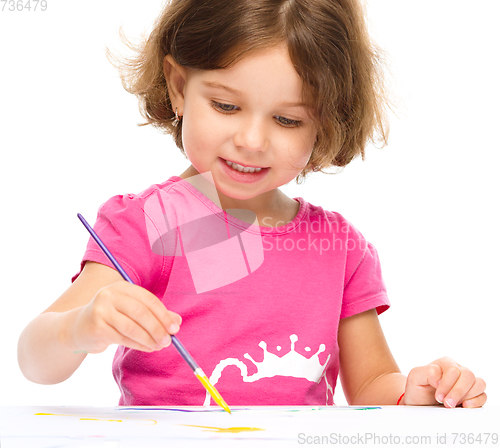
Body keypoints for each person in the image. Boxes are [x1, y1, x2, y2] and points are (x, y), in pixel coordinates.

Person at [18, 0, 486, 408]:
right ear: (179, 87)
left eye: (286, 119)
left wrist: (418, 393)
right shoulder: (148, 224)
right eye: (226, 106)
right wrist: (80, 328)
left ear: (326, 121)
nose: (252, 140)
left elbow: (373, 387)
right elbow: (34, 359)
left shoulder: (338, 248)